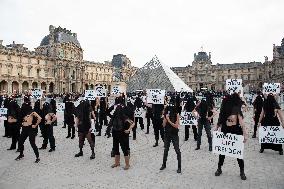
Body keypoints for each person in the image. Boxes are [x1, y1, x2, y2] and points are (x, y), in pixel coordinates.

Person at [214, 93, 248, 180]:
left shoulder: (226, 105)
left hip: (229, 131)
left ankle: (219, 169)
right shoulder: (235, 107)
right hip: (233, 131)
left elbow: (221, 118)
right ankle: (241, 172)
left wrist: (216, 128)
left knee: (224, 152)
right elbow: (241, 122)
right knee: (236, 153)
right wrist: (245, 134)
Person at [110, 97, 135, 170]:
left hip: (122, 134)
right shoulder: (114, 117)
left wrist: (128, 130)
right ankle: (117, 163)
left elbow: (133, 123)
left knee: (124, 149)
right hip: (115, 133)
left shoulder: (124, 117)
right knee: (116, 148)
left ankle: (127, 164)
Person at [160, 97, 181, 173]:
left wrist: (169, 120)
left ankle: (179, 167)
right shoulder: (166, 113)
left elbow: (176, 126)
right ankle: (164, 164)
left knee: (177, 150)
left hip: (174, 134)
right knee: (166, 150)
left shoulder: (177, 114)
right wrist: (165, 118)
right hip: (167, 134)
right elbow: (163, 125)